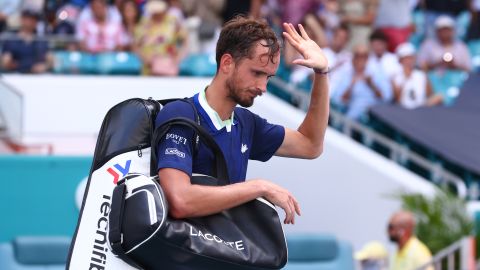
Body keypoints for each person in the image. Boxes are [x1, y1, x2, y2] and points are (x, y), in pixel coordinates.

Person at [155, 16, 329, 225]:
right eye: (256, 73)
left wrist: (321, 73)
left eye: (268, 77)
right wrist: (258, 187)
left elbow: (310, 145)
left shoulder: (246, 123)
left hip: (224, 252)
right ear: (227, 63)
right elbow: (180, 201)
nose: (263, 87)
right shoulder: (180, 115)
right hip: (183, 253)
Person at [331, 44, 392, 120]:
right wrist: (351, 85)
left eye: (364, 56)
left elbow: (386, 97)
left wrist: (371, 84)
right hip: (352, 117)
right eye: (357, 56)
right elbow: (338, 100)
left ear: (367, 58)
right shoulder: (347, 74)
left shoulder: (377, 72)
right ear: (353, 58)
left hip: (372, 116)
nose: (360, 59)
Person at [133, 0, 188, 76]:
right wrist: (144, 58)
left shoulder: (173, 22)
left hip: (169, 67)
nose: (157, 14)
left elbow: (185, 41)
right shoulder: (144, 23)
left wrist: (178, 58)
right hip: (148, 69)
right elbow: (136, 45)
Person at [392, 43, 443, 109]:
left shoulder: (421, 74)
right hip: (403, 110)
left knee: (439, 97)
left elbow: (429, 94)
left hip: (420, 109)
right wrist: (405, 79)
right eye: (406, 58)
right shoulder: (395, 77)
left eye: (411, 58)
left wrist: (425, 74)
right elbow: (397, 100)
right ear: (400, 60)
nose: (409, 61)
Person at [1, 9, 52, 73]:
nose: (30, 22)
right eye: (28, 19)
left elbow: (51, 59)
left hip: (38, 77)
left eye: (34, 19)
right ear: (22, 19)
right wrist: (9, 64)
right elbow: (5, 61)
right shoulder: (12, 39)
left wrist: (45, 66)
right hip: (15, 75)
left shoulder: (40, 40)